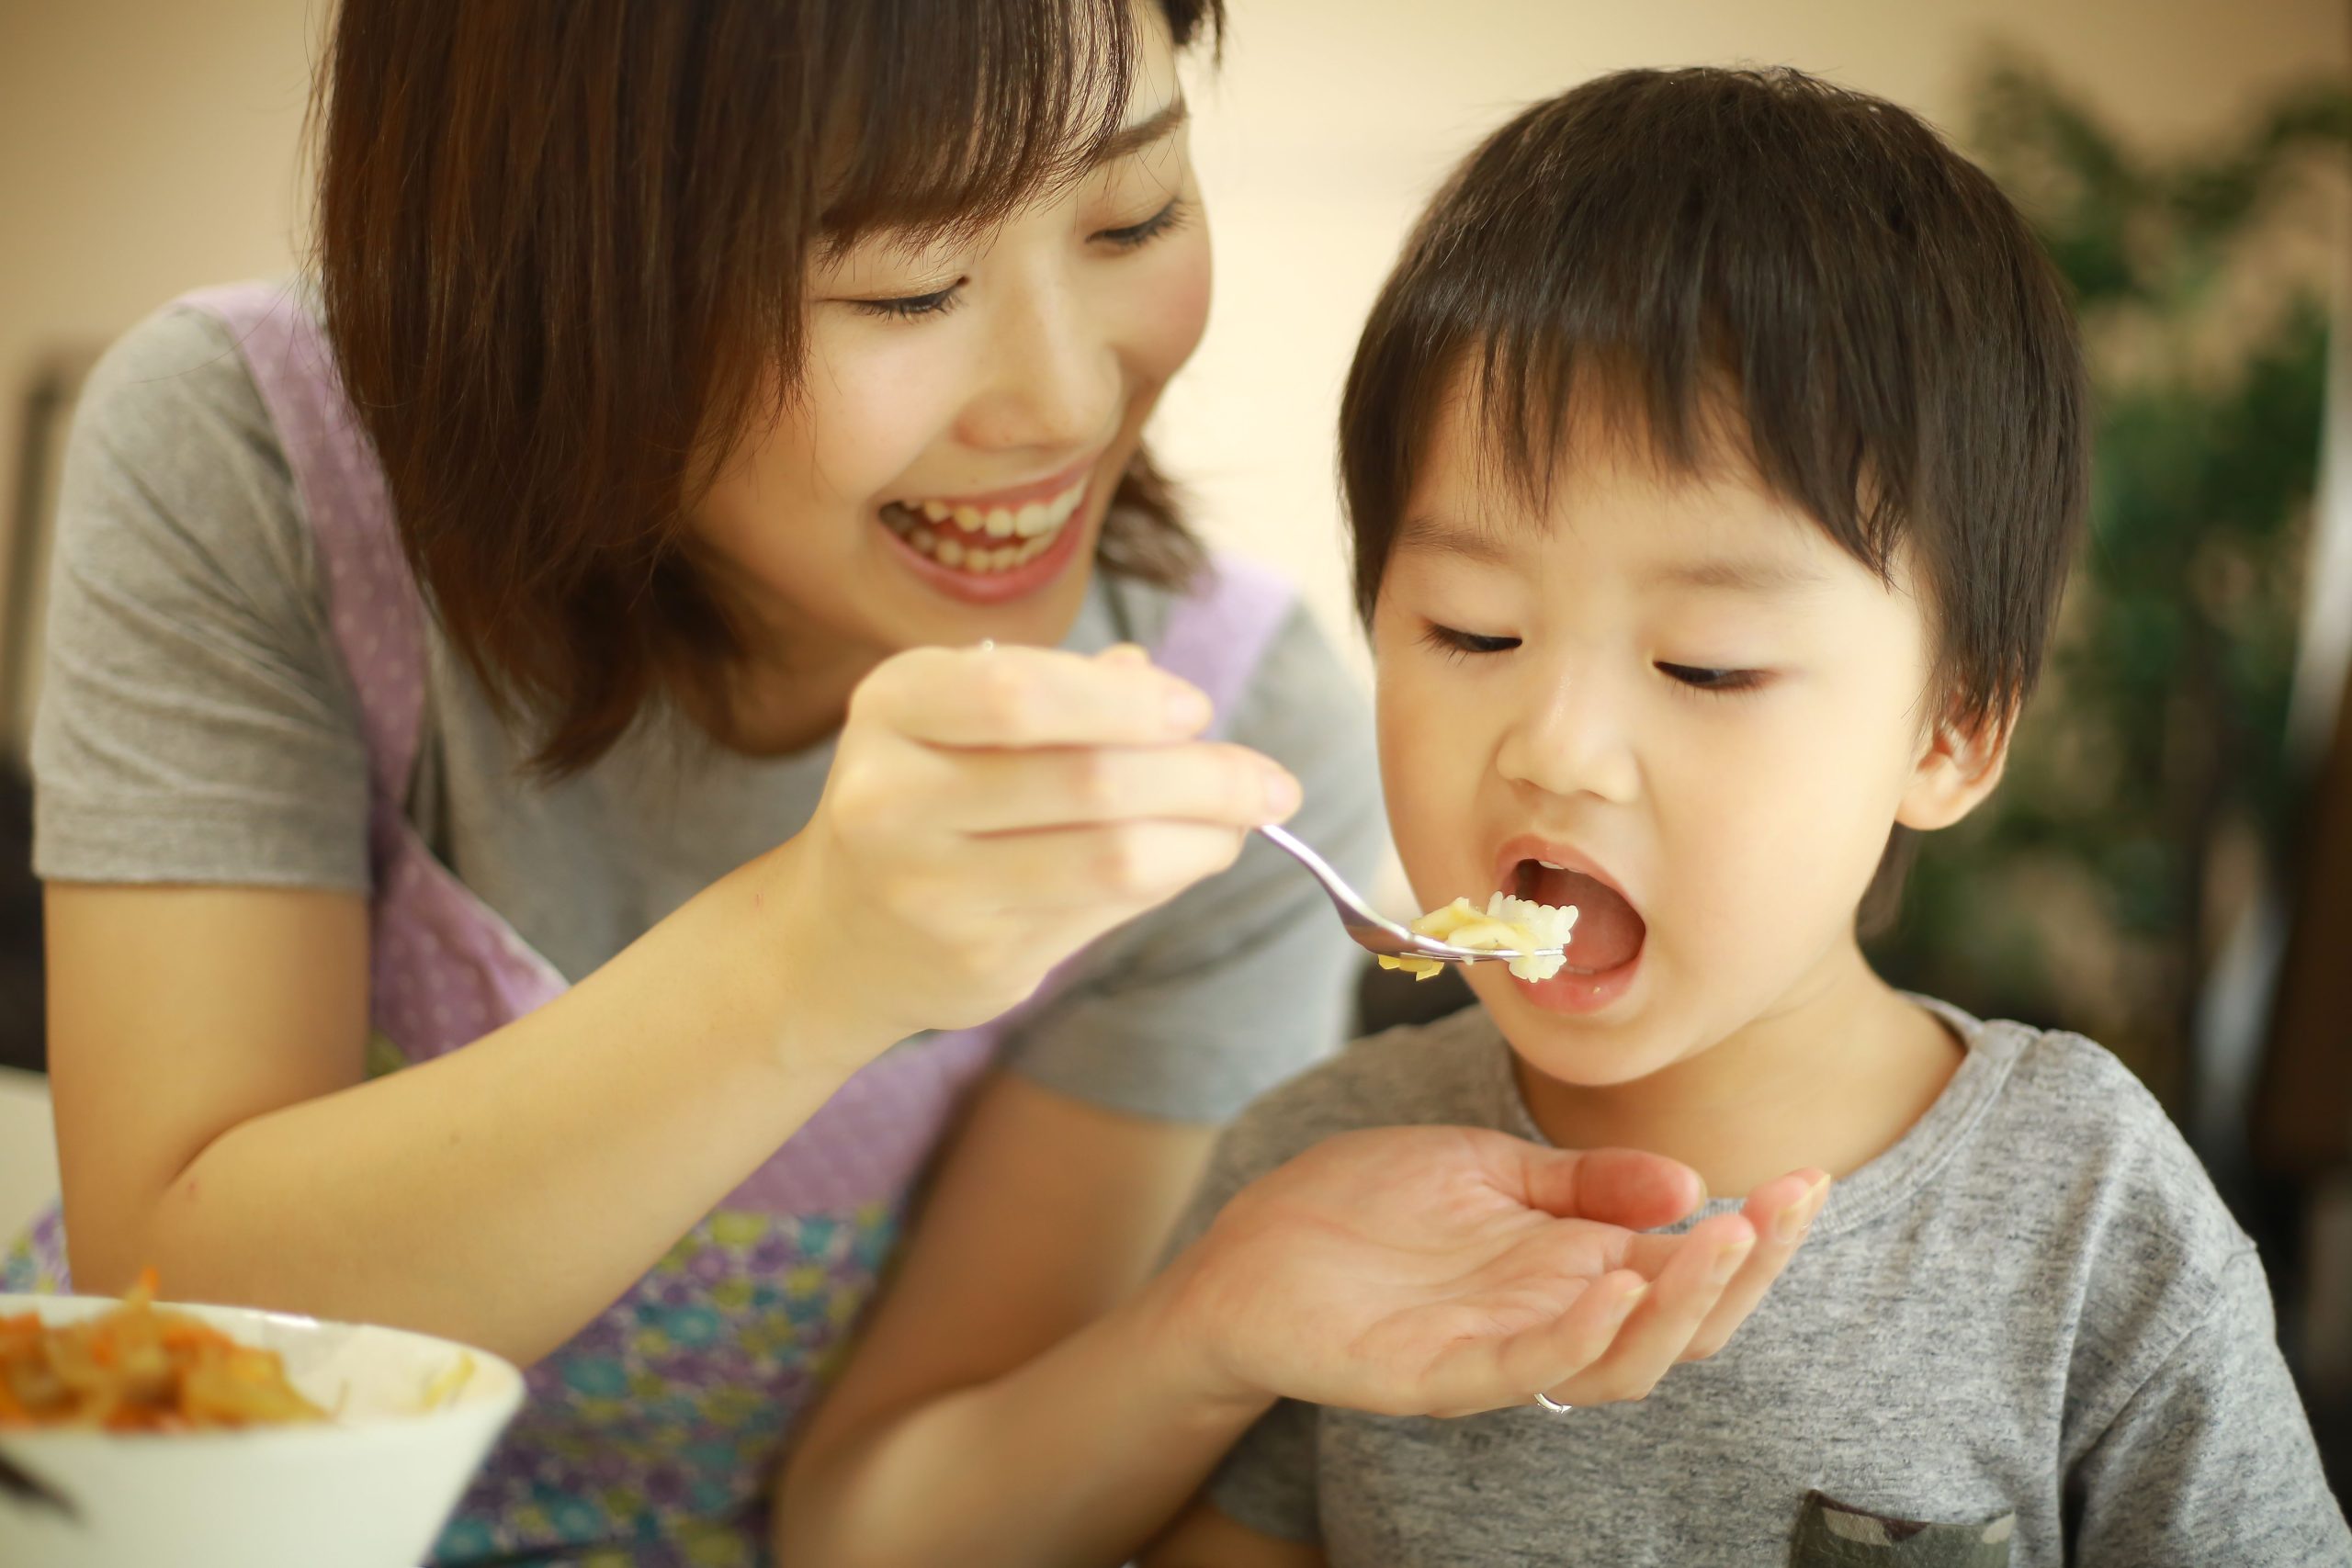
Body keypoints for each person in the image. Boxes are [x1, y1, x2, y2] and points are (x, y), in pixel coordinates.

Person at [6, 6, 1826, 1564]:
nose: (1060, 396)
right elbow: (189, 1326)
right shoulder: (252, 465)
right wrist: (813, 956)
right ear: (552, 270)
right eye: (907, 281)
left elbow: (873, 1515)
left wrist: (1212, 1323)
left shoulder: (1220, 736)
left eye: (1133, 213)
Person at [1143, 66, 2352, 1568]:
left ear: (1953, 729)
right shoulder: (1320, 1172)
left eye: (1706, 664)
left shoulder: (2083, 1210)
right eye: (1469, 630)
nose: (1560, 747)